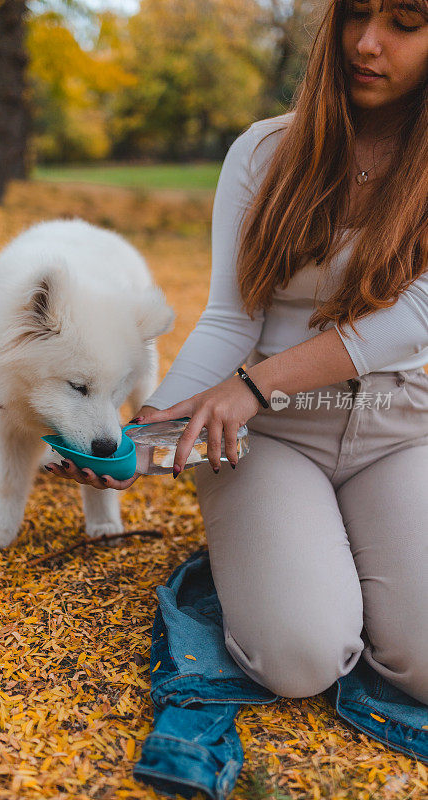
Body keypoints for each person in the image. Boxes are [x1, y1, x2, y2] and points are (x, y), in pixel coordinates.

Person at [45, 0, 428, 704]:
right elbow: (228, 319)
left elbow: (414, 318)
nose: (368, 43)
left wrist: (253, 384)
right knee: (300, 659)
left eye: (405, 24)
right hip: (257, 436)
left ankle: (330, 555)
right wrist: (152, 429)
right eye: (355, 16)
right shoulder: (262, 152)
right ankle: (293, 553)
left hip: (396, 429)